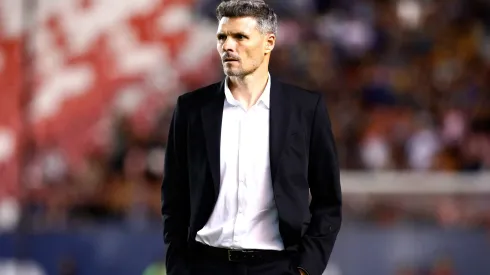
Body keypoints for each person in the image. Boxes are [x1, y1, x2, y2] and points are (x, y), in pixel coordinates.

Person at [161, 1, 342, 275]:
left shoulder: (305, 109)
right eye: (222, 37)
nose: (228, 46)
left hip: (278, 266)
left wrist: (306, 268)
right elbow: (174, 199)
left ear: (269, 42)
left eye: (240, 37)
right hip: (204, 265)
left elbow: (328, 201)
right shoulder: (191, 109)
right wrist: (178, 266)